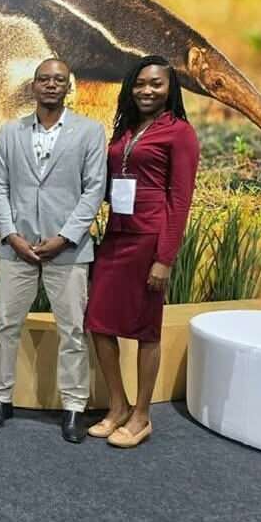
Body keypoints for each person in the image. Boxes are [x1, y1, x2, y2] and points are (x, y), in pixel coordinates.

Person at [0, 58, 107, 443]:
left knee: (72, 330)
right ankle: (1, 399)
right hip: (17, 248)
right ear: (33, 85)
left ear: (69, 86)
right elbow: (0, 186)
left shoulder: (90, 132)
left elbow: (94, 190)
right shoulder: (10, 132)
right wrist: (10, 234)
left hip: (68, 250)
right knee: (6, 325)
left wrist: (65, 237)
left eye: (59, 80)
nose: (51, 85)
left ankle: (73, 407)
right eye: (44, 79)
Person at [85, 55, 199, 448]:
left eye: (156, 84)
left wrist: (164, 258)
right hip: (116, 235)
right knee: (99, 322)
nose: (146, 90)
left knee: (145, 329)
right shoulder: (127, 128)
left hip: (149, 239)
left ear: (170, 89)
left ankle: (142, 415)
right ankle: (118, 405)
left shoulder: (180, 132)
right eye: (140, 83)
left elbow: (180, 201)